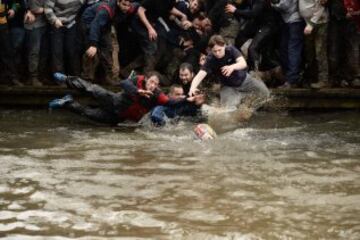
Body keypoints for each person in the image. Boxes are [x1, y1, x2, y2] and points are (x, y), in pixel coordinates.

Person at [48, 71, 191, 125]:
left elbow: (169, 101)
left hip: (118, 117)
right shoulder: (138, 80)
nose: (153, 85)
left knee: (89, 113)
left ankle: (67, 102)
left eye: (156, 84)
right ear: (146, 79)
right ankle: (67, 79)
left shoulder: (157, 95)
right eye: (151, 82)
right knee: (93, 89)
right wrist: (138, 91)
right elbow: (124, 83)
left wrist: (187, 99)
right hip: (115, 100)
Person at [188, 34, 270, 109]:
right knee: (229, 111)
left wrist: (232, 67)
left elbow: (243, 63)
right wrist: (192, 87)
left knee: (265, 94)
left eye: (219, 50)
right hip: (228, 87)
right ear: (210, 50)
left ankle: (249, 107)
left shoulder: (231, 50)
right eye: (214, 51)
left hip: (245, 80)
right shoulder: (210, 59)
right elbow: (200, 75)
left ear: (224, 46)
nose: (217, 53)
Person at [80, 0, 136, 85]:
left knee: (108, 48)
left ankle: (108, 78)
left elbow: (139, 7)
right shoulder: (106, 10)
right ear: (118, 2)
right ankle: (86, 79)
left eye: (128, 5)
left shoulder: (130, 8)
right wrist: (93, 44)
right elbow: (95, 26)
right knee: (92, 52)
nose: (126, 8)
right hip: (90, 22)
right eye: (124, 5)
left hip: (106, 24)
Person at [271, 0, 305, 88]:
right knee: (284, 49)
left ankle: (292, 80)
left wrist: (272, 4)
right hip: (288, 21)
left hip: (295, 20)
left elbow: (284, 6)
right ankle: (289, 77)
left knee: (293, 50)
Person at [299, 0, 329, 89]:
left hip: (320, 23)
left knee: (320, 51)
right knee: (309, 52)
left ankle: (324, 80)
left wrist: (311, 24)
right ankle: (312, 78)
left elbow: (321, 8)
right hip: (307, 22)